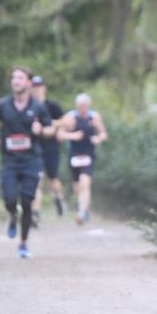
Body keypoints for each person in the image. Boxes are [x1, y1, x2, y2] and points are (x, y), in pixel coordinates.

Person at [0, 67, 54, 258]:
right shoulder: (3, 104)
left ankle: (23, 243)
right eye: (13, 77)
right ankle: (12, 215)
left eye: (20, 78)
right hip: (10, 160)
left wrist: (40, 129)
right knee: (9, 198)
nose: (15, 81)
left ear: (28, 83)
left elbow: (51, 130)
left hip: (32, 160)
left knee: (27, 200)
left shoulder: (38, 107)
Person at [58, 93, 107, 225]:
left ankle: (82, 212)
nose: (83, 108)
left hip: (88, 154)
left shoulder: (94, 117)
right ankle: (84, 207)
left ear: (88, 105)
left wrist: (98, 138)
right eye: (80, 106)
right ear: (77, 105)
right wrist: (72, 135)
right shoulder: (70, 117)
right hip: (74, 155)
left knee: (85, 182)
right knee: (77, 186)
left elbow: (103, 133)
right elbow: (59, 135)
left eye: (85, 105)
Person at [29, 75, 66, 224]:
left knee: (53, 179)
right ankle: (35, 213)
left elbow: (65, 121)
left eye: (39, 86)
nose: (36, 89)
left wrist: (50, 125)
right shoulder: (28, 105)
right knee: (36, 181)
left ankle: (58, 197)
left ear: (44, 88)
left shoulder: (52, 106)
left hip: (51, 147)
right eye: (34, 87)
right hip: (33, 147)